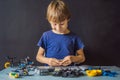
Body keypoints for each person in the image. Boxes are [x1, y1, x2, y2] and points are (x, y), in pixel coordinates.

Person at [36, 0, 85, 67]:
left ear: (68, 19)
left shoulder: (74, 37)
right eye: (54, 24)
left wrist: (72, 58)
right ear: (49, 21)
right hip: (49, 74)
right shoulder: (46, 36)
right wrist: (48, 60)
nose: (58, 28)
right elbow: (38, 56)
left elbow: (82, 58)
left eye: (62, 24)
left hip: (68, 73)